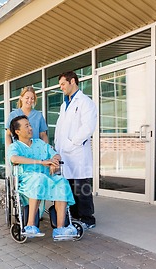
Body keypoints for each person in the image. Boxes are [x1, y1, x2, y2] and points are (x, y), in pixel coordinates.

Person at [8, 115, 76, 240]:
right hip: (27, 181)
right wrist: (42, 162)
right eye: (26, 126)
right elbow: (14, 158)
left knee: (61, 181)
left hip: (47, 178)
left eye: (30, 125)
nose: (31, 128)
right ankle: (30, 226)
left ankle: (60, 229)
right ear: (18, 131)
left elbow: (55, 154)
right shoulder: (15, 147)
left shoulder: (40, 143)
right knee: (38, 178)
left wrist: (54, 161)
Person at [54, 71, 97, 229]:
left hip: (77, 153)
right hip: (64, 154)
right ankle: (75, 217)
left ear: (73, 81)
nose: (61, 88)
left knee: (82, 187)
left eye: (63, 84)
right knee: (69, 187)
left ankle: (88, 219)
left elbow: (88, 127)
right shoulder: (64, 104)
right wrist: (57, 147)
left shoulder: (85, 102)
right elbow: (60, 129)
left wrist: (72, 143)